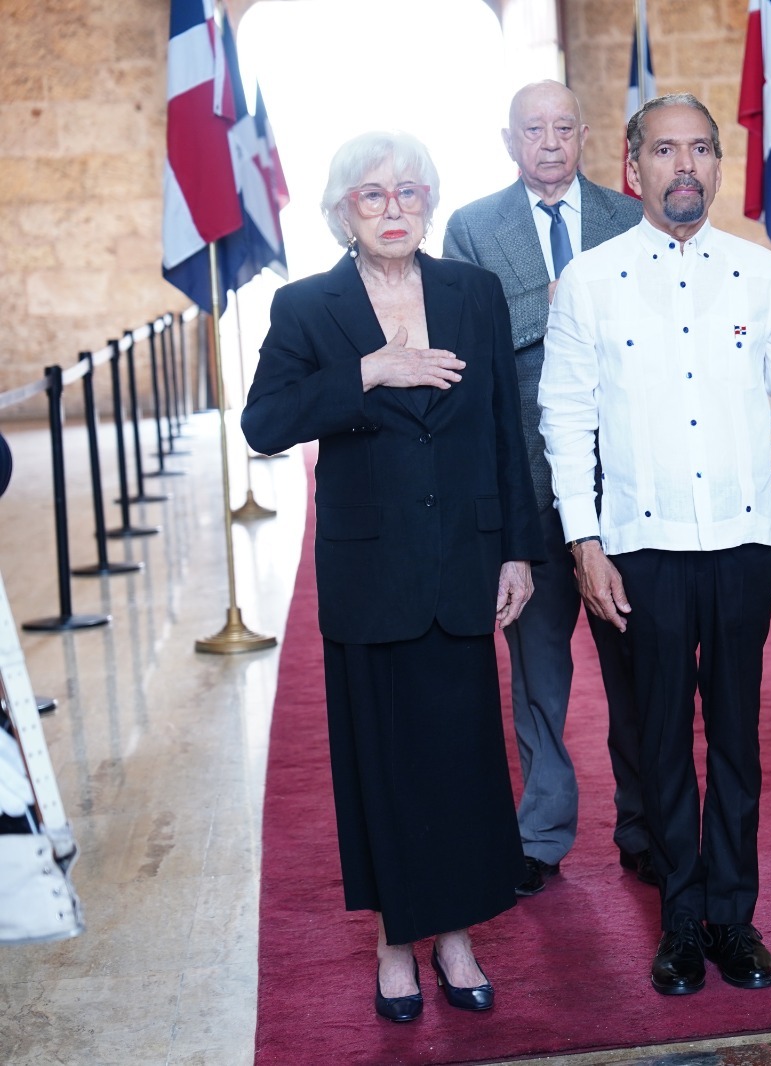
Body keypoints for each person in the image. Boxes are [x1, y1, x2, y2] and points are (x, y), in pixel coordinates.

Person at [241, 131, 539, 1022]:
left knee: (461, 763)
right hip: (370, 574)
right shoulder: (307, 308)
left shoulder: (472, 294)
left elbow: (502, 429)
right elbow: (264, 422)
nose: (394, 209)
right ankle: (395, 943)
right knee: (384, 763)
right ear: (342, 213)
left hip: (462, 564)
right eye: (372, 196)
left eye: (409, 192)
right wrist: (368, 371)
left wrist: (517, 546)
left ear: (430, 203)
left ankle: (456, 937)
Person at [539, 93, 771, 996]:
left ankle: (733, 919)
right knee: (658, 739)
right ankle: (679, 925)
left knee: (736, 738)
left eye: (701, 149)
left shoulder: (760, 274)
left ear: (716, 164)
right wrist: (584, 539)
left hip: (743, 541)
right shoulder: (590, 278)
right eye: (665, 150)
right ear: (634, 168)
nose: (685, 166)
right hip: (640, 548)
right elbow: (565, 416)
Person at [443, 80, 655, 897]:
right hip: (526, 487)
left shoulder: (626, 217)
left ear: (587, 135)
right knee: (538, 678)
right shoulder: (472, 226)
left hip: (622, 484)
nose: (551, 143)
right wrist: (558, 303)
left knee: (638, 670)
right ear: (509, 140)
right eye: (534, 129)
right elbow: (470, 338)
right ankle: (542, 833)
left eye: (564, 127)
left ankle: (642, 826)